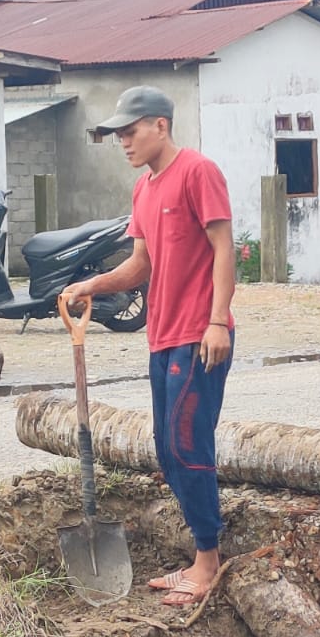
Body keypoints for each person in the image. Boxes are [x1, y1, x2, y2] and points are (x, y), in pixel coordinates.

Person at [64, 87, 235, 608]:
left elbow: (225, 248)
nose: (123, 141)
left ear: (160, 125)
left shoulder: (198, 172)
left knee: (188, 445)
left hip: (198, 334)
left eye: (130, 130)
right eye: (117, 134)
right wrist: (91, 285)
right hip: (161, 333)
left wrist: (217, 322)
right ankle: (200, 555)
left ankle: (209, 562)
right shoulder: (144, 190)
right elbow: (142, 266)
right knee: (166, 448)